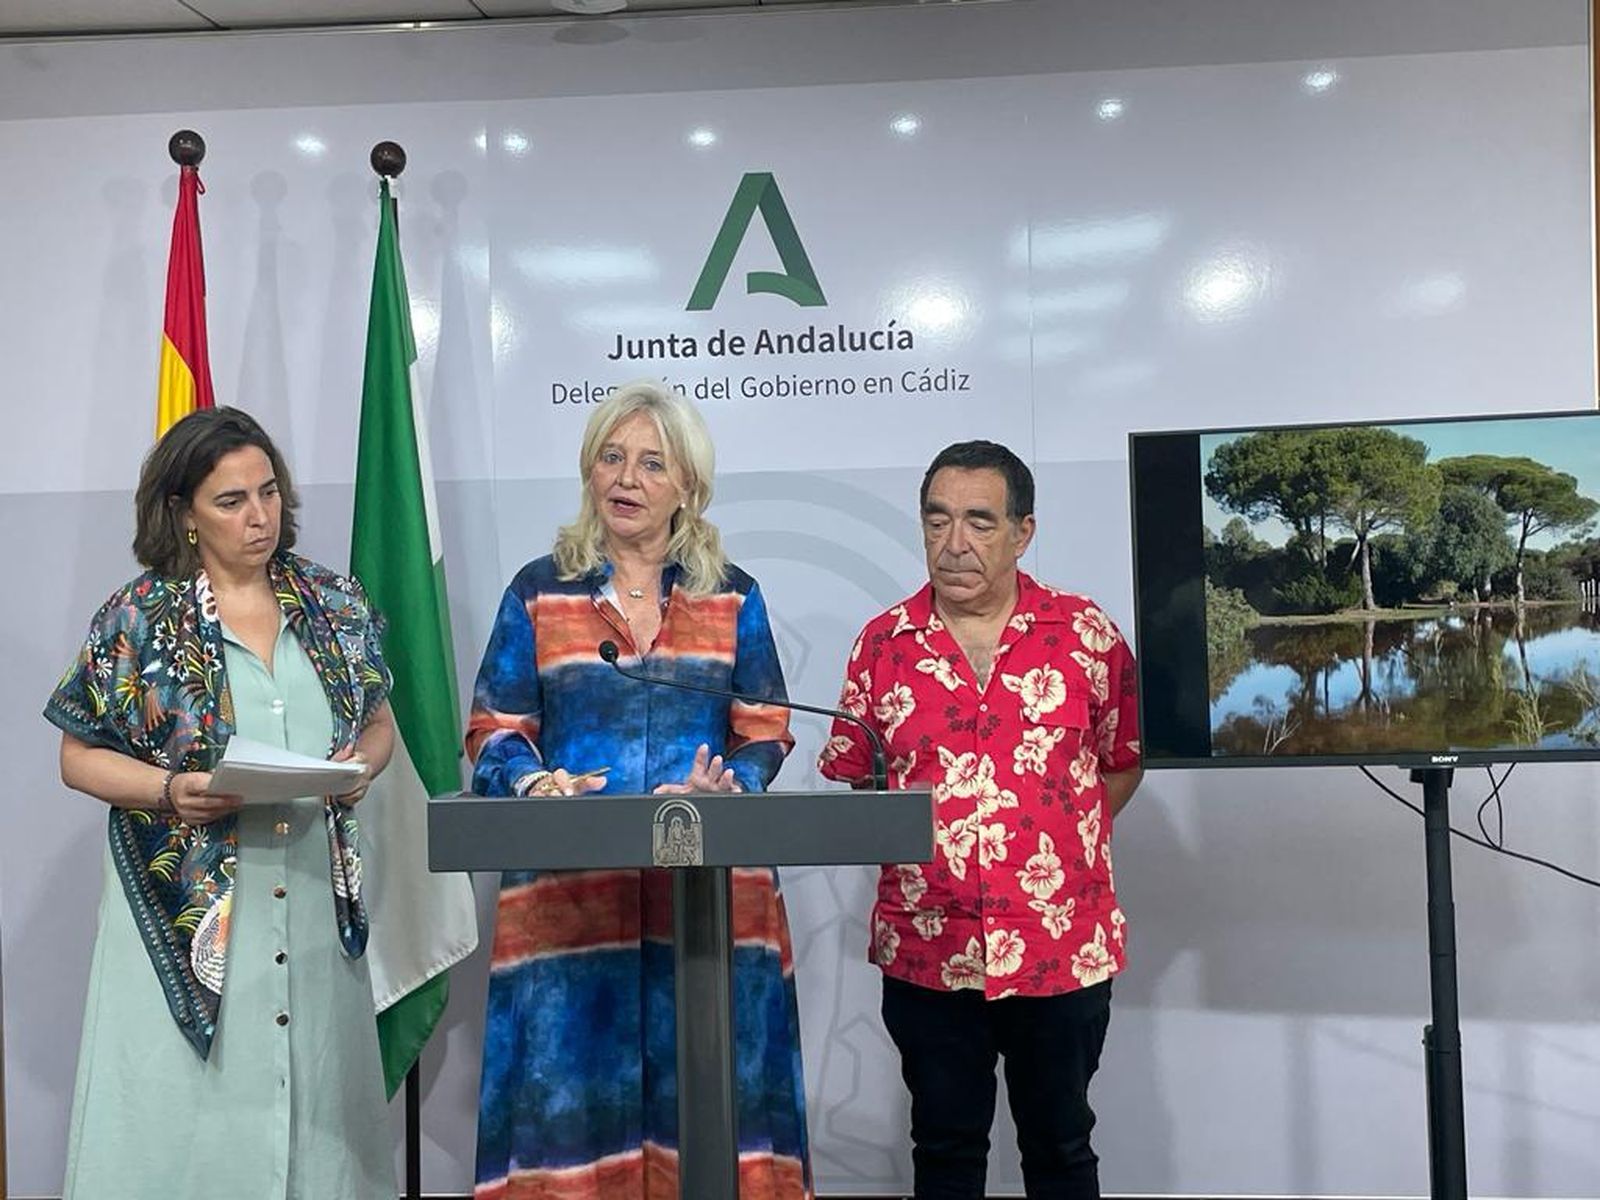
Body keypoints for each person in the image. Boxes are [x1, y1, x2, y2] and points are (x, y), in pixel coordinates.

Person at [466, 380, 812, 1200]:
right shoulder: (539, 591)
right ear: (589, 473)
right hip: (571, 902)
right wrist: (534, 781)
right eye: (612, 459)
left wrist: (730, 785)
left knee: (713, 1102)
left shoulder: (734, 595)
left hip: (710, 901)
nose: (627, 478)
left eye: (652, 463)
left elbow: (763, 730)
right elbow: (492, 731)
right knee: (571, 1116)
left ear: (687, 485)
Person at [44, 406, 397, 1200]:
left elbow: (380, 726)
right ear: (183, 513)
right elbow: (77, 756)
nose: (260, 517)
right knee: (190, 1129)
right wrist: (170, 791)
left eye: (268, 493)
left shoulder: (333, 606)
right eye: (231, 501)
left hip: (309, 898)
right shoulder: (140, 617)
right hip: (187, 915)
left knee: (318, 1123)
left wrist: (359, 767)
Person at [819, 440, 1142, 1200]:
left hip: (1060, 941)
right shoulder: (881, 647)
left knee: (1062, 1148)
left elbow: (1121, 759)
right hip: (929, 947)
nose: (954, 544)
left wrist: (1060, 842)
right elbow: (858, 781)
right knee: (945, 1150)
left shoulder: (1084, 636)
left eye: (979, 522)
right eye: (937, 521)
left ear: (1022, 532)